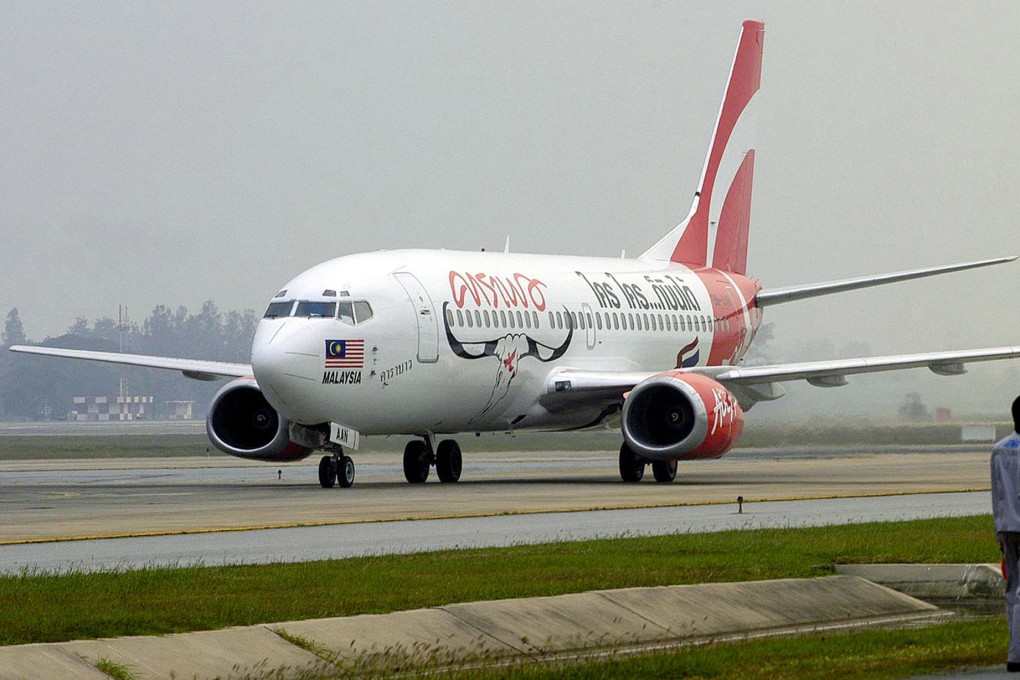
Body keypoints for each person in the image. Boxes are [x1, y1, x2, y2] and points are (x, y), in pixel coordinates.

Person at [992, 395, 1020, 672]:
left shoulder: (999, 449)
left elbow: (997, 493)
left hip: (1008, 527)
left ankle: (1014, 651)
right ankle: (1016, 655)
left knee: (1012, 588)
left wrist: (998, 532)